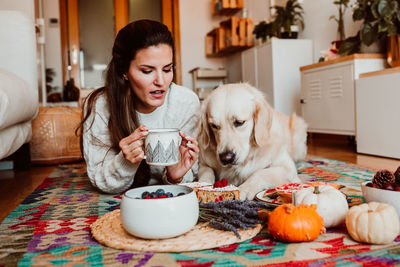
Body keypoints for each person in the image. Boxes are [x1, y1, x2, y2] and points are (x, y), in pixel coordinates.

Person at [77, 20, 200, 194]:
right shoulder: (101, 105)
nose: (161, 81)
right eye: (147, 71)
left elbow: (191, 177)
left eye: (167, 69)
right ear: (124, 71)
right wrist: (125, 162)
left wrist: (176, 177)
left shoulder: (186, 103)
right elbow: (100, 179)